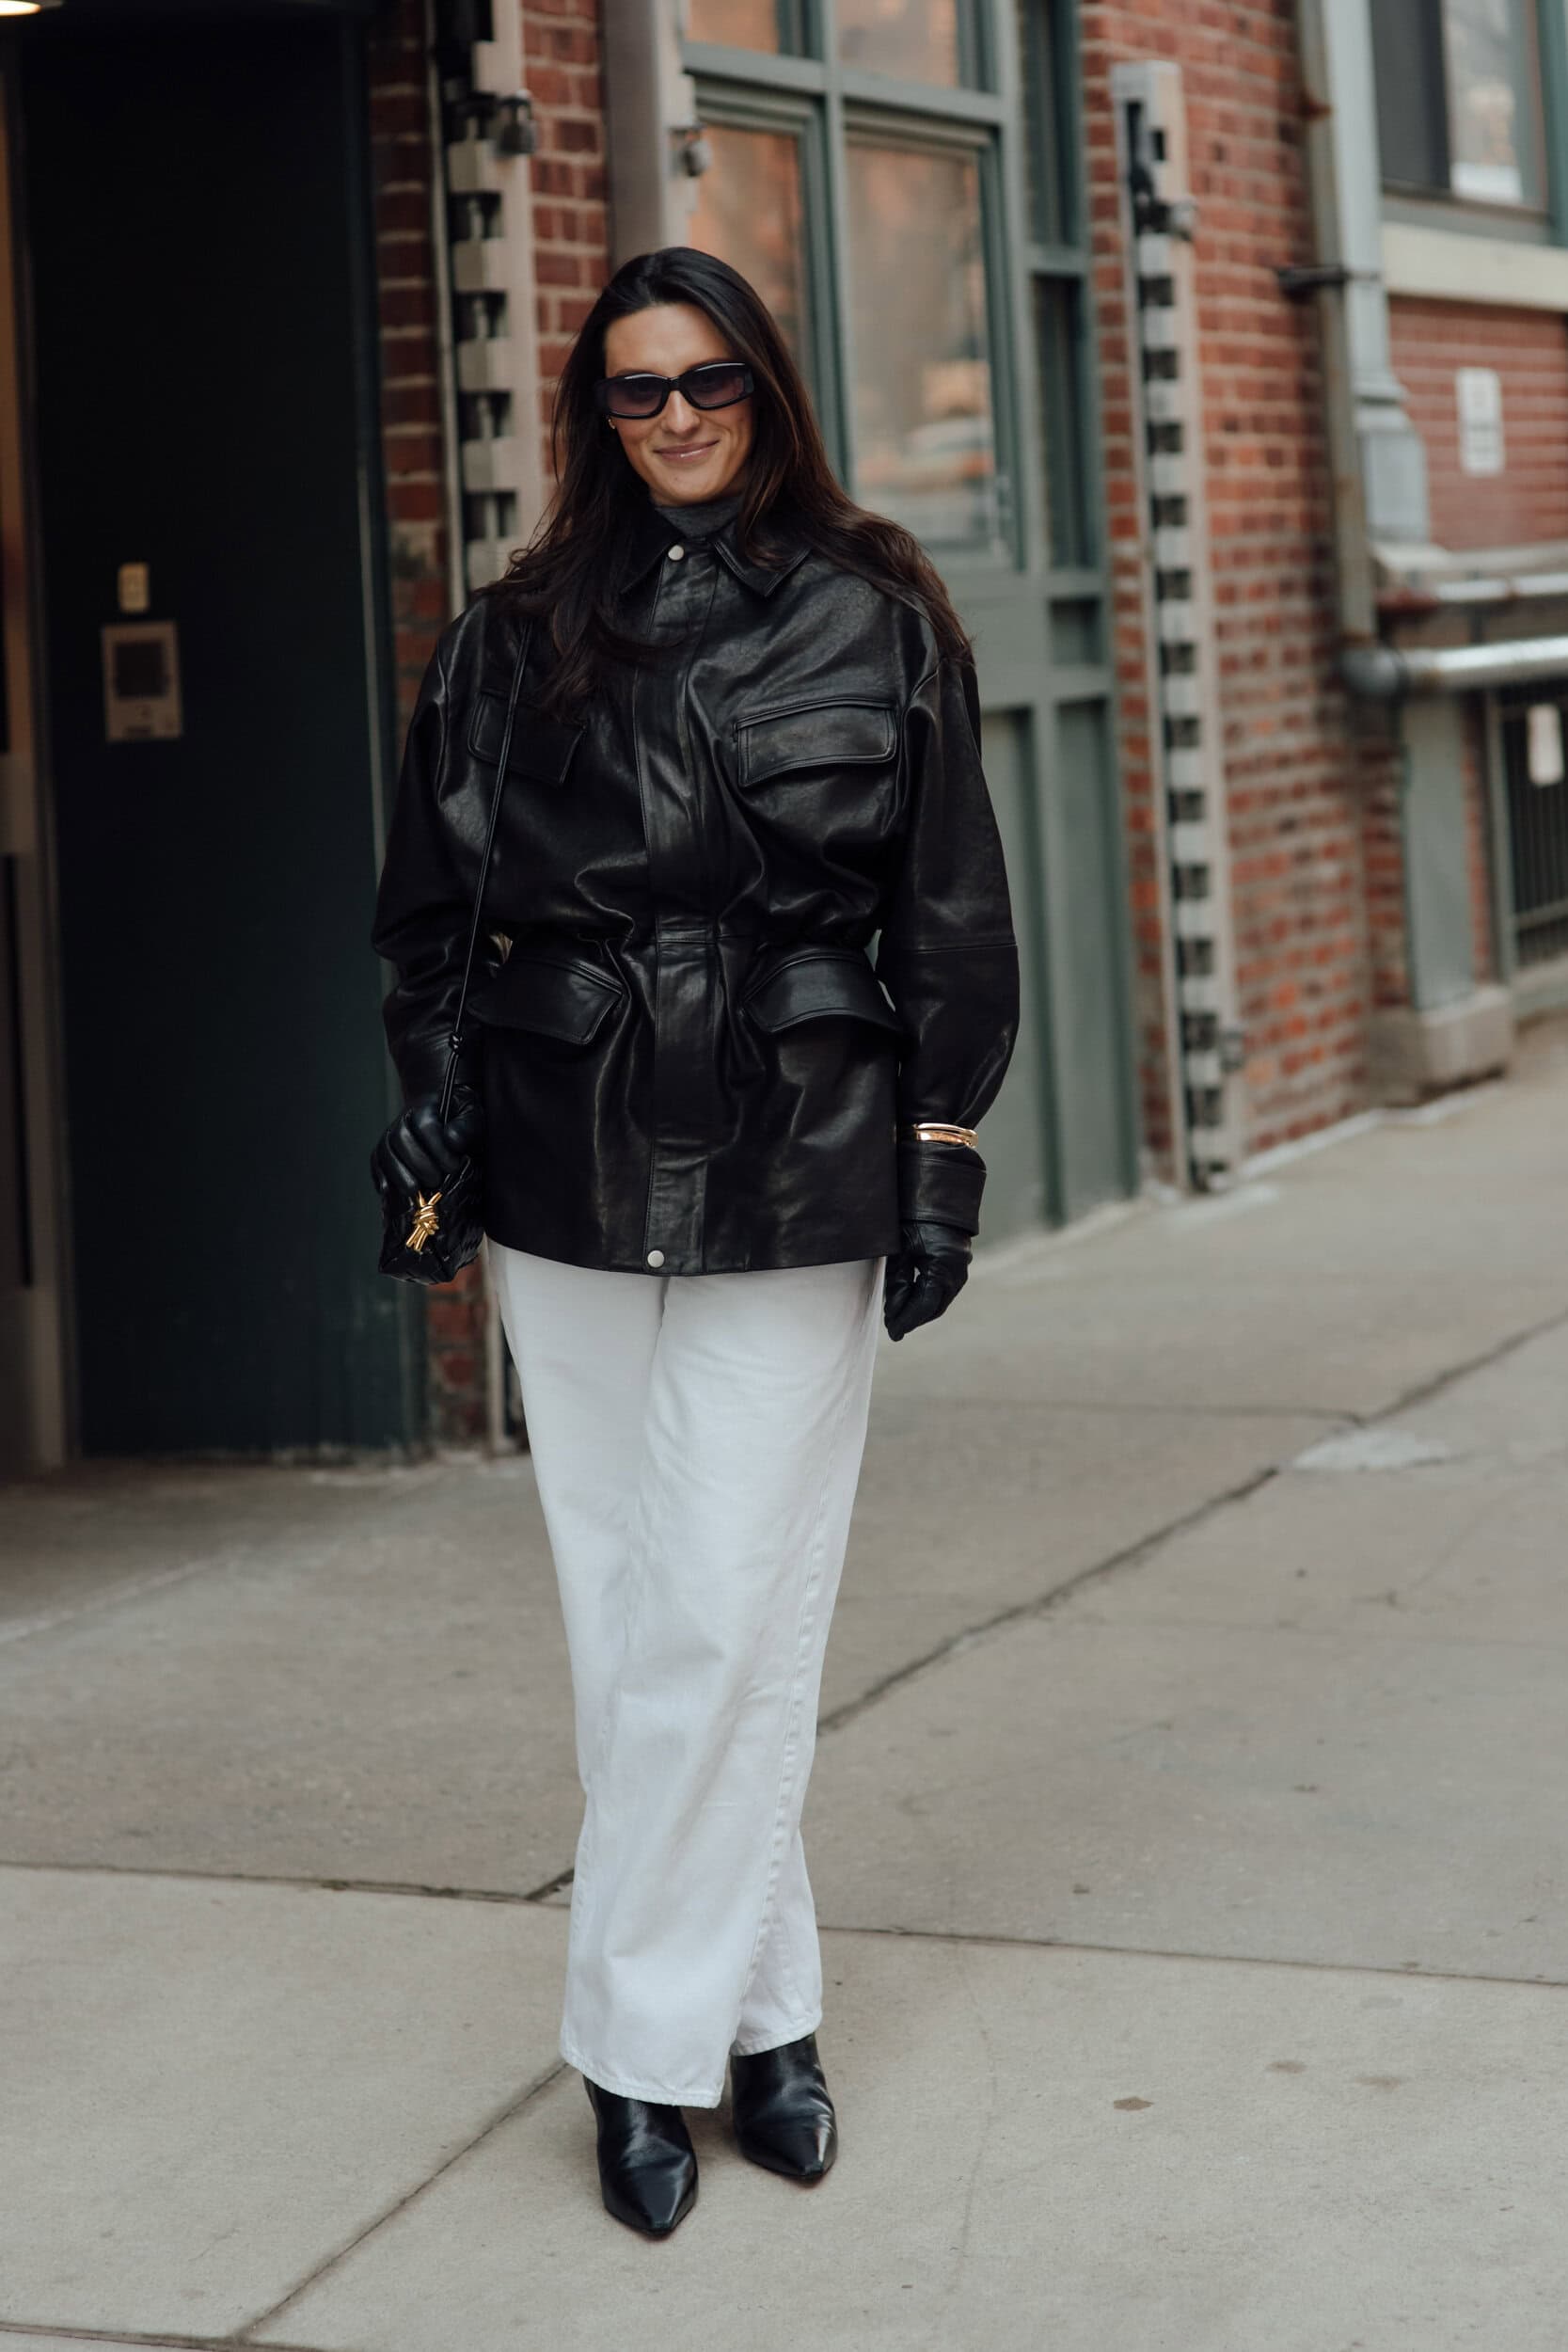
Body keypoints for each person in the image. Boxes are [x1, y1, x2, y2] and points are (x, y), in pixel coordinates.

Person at [371, 246, 1018, 2238]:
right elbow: (428, 917)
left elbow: (951, 911)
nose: (675, 417)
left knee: (727, 1609)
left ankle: (636, 2056)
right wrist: (432, 1113)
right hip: (564, 1150)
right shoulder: (511, 637)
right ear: (596, 410)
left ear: (766, 391)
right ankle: (772, 2020)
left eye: (709, 381)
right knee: (634, 1622)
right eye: (638, 387)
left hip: (797, 1148)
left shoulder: (874, 612)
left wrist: (939, 1149)